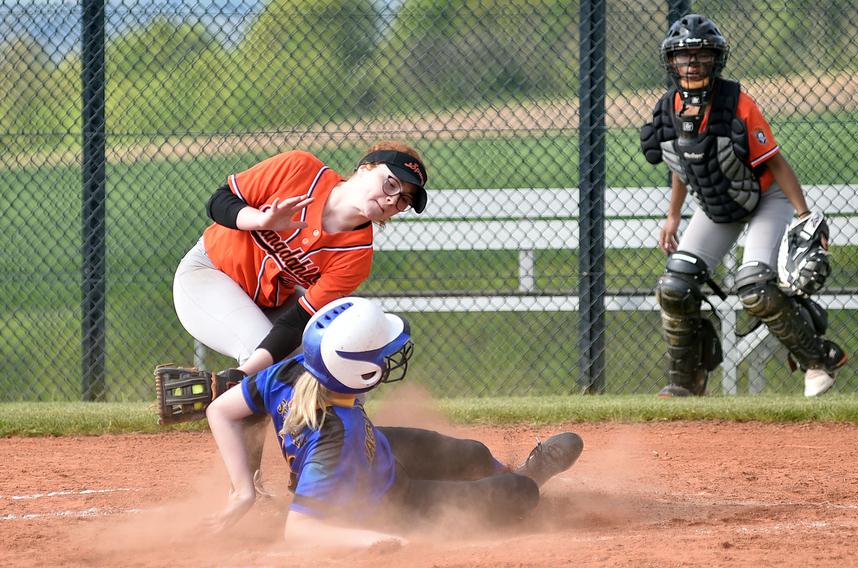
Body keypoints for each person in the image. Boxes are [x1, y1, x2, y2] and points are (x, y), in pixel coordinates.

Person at [204, 297, 584, 546]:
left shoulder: (295, 369)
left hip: (375, 457)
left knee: (472, 452)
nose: (388, 357)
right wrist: (373, 540)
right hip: (389, 504)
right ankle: (528, 479)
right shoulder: (339, 436)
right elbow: (300, 529)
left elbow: (219, 409)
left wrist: (243, 491)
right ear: (356, 371)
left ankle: (510, 471)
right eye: (381, 353)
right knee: (517, 493)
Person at [171, 141, 429, 488]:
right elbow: (220, 201)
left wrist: (241, 375)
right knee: (256, 360)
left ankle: (321, 473)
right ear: (366, 167)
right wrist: (260, 219)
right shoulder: (300, 169)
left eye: (403, 200)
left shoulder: (356, 255)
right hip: (209, 274)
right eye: (390, 183)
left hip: (271, 303)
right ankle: (247, 490)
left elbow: (298, 319)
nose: (392, 200)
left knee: (337, 378)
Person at [639, 14, 848, 398]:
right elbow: (683, 166)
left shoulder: (737, 102)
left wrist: (804, 216)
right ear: (671, 62)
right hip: (720, 205)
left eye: (702, 55)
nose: (693, 63)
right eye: (685, 56)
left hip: (766, 196)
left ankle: (820, 359)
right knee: (674, 285)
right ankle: (687, 381)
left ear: (716, 59)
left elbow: (775, 162)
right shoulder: (668, 109)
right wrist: (672, 216)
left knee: (754, 287)